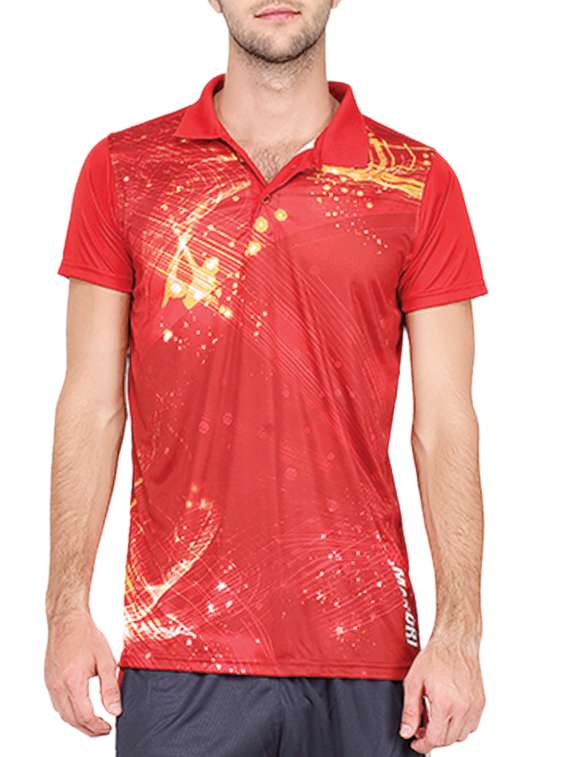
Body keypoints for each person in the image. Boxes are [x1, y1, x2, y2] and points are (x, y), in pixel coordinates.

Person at [44, 1, 488, 755]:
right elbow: (90, 404)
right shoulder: (124, 170)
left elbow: (445, 422)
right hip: (177, 653)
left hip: (371, 658)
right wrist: (64, 610)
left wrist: (460, 634)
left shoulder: (416, 181)